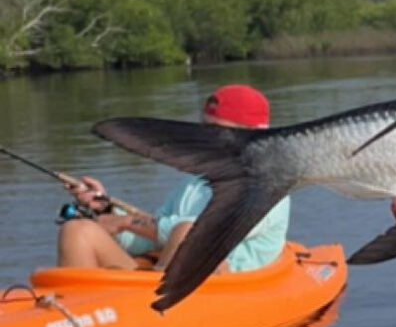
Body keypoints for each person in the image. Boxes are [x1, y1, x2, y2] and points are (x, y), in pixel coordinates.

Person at [57, 85, 290, 274]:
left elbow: (203, 232)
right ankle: (74, 314)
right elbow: (150, 242)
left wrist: (126, 222)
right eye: (204, 128)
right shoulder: (194, 184)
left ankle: (153, 312)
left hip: (228, 286)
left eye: (218, 132)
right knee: (78, 231)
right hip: (170, 276)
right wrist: (106, 213)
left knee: (187, 232)